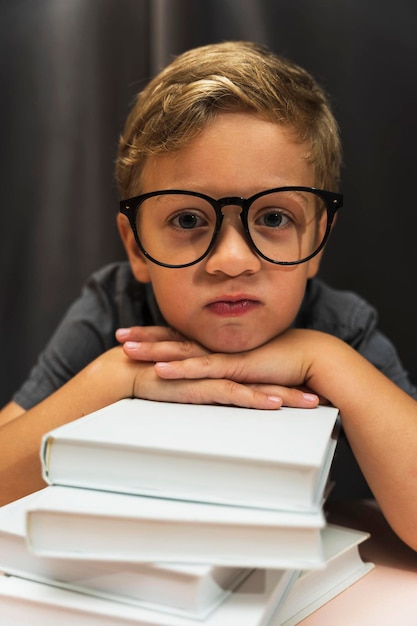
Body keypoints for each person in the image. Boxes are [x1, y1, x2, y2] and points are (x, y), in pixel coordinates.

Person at [1, 41, 417, 549]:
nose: (232, 261)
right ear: (137, 246)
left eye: (273, 218)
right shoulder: (114, 314)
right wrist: (115, 378)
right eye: (189, 220)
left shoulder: (341, 329)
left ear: (316, 241)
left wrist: (323, 358)